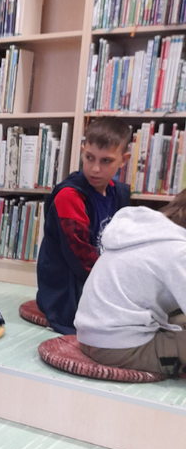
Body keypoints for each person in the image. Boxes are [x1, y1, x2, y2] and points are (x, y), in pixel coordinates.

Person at [36, 117, 131, 334]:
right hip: (67, 289)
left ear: (123, 160)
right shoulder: (70, 196)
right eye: (89, 157)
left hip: (99, 278)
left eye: (106, 161)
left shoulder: (119, 193)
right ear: (82, 151)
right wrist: (116, 289)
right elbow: (81, 259)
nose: (95, 168)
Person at [75, 192, 186, 378]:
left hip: (91, 334)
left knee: (179, 318)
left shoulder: (146, 231)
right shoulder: (179, 251)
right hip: (119, 347)